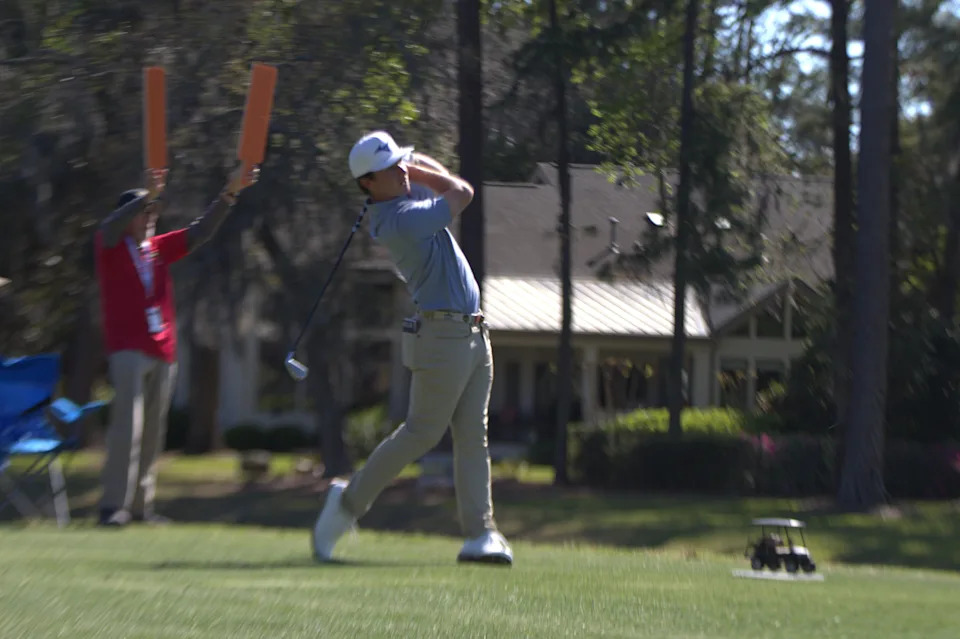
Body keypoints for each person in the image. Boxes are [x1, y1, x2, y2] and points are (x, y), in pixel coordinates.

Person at [311, 130, 513, 565]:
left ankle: (481, 534)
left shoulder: (401, 197)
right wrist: (417, 166)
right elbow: (460, 191)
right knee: (421, 433)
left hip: (473, 334)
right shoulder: (398, 220)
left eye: (402, 164)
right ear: (368, 183)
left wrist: (405, 163)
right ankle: (346, 505)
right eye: (392, 168)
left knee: (472, 436)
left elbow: (441, 182)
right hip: (442, 337)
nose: (403, 171)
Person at [94, 163, 259, 527]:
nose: (150, 218)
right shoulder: (111, 246)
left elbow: (200, 232)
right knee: (127, 429)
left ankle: (140, 507)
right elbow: (108, 226)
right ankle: (112, 507)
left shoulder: (155, 250)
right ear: (129, 218)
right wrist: (145, 196)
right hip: (127, 349)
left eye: (152, 212)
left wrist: (228, 194)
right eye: (144, 213)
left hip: (162, 350)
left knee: (153, 434)